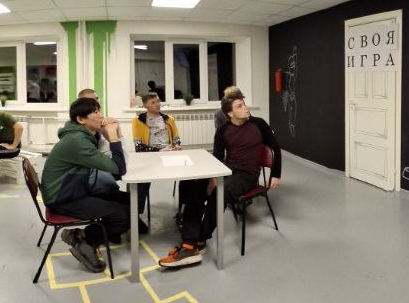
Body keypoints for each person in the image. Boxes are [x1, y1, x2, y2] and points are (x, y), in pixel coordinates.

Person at [161, 95, 281, 269]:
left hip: (247, 176)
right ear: (230, 113)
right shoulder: (223, 130)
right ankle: (190, 243)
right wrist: (213, 177)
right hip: (226, 171)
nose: (246, 108)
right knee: (195, 186)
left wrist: (275, 174)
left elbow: (276, 148)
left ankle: (198, 241)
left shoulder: (259, 124)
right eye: (240, 106)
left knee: (219, 194)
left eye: (244, 104)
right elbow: (217, 158)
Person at [41, 97, 130, 273]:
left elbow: (114, 169)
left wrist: (110, 133)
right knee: (122, 216)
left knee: (128, 201)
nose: (101, 115)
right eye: (95, 112)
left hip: (72, 190)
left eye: (99, 110)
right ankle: (87, 242)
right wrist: (113, 137)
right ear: (81, 119)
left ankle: (78, 234)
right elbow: (118, 169)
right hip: (63, 198)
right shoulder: (78, 141)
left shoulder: (81, 135)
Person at [130, 93, 182, 225]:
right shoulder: (138, 121)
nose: (157, 104)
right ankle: (136, 214)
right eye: (153, 102)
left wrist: (176, 147)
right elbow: (139, 147)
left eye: (158, 101)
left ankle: (184, 210)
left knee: (189, 176)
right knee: (141, 181)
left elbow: (176, 139)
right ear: (145, 105)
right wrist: (158, 150)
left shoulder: (169, 119)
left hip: (169, 155)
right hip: (150, 156)